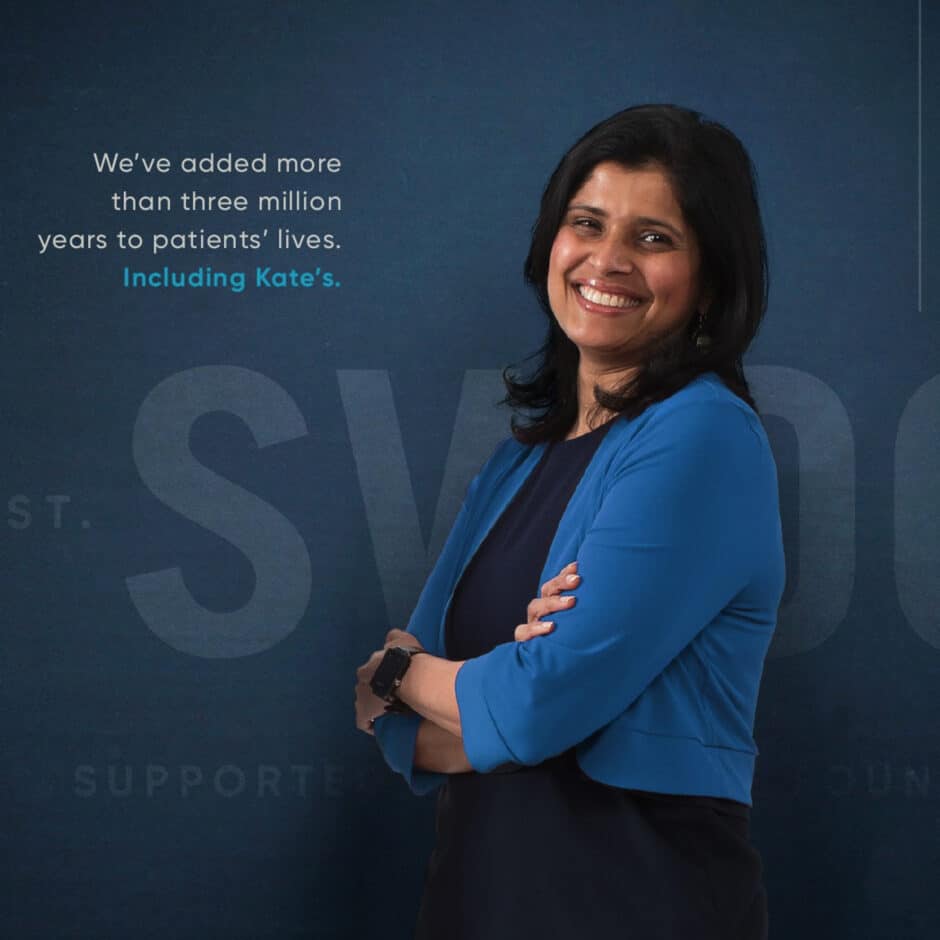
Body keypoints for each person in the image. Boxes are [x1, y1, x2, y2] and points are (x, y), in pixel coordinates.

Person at [354, 103, 785, 939]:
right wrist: (488, 699)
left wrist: (401, 676)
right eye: (586, 223)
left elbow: (528, 710)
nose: (608, 259)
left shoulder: (704, 437)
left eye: (654, 238)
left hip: (638, 910)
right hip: (475, 905)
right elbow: (401, 737)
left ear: (710, 277)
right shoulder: (517, 464)